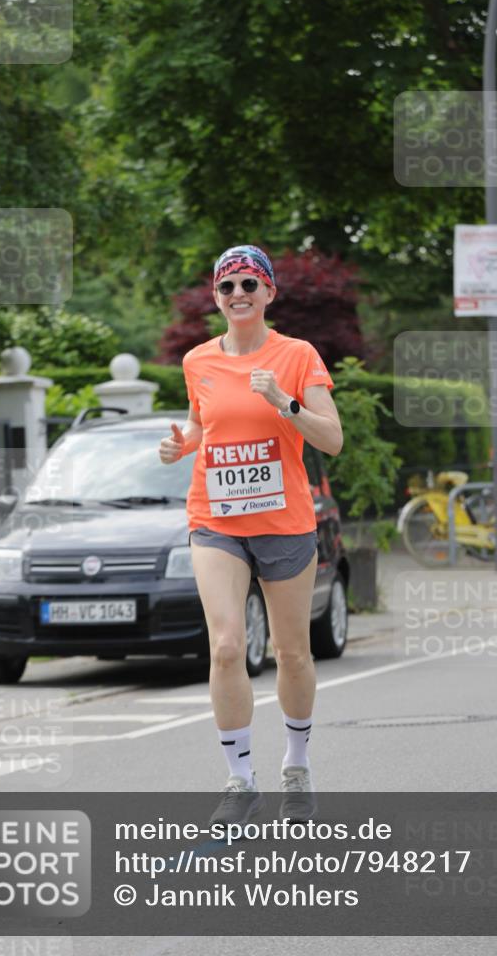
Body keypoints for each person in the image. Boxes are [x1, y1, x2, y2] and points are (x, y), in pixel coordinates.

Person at [158, 244, 343, 826]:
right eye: (226, 287)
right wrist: (180, 444)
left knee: (291, 652)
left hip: (284, 520)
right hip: (215, 518)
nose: (237, 295)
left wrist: (282, 401)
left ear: (268, 294)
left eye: (248, 285)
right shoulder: (198, 361)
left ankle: (296, 764)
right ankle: (240, 780)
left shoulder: (297, 355)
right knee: (228, 646)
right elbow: (201, 423)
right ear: (216, 298)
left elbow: (331, 439)